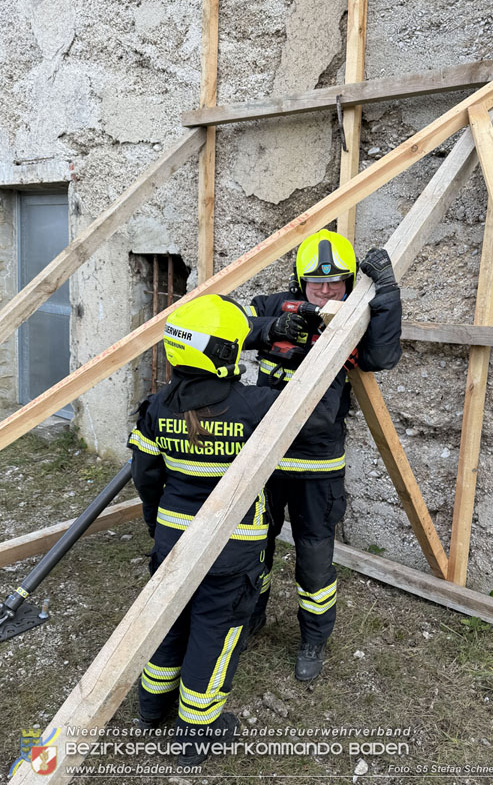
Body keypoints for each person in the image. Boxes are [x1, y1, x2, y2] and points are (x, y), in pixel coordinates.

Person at [127, 293, 345, 766]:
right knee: (215, 631)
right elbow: (319, 416)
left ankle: (151, 705)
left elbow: (145, 476)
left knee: (168, 621)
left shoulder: (156, 406)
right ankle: (198, 732)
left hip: (172, 540)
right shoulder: (255, 405)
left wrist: (155, 522)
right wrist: (322, 352)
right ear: (227, 353)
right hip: (230, 552)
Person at [243, 229, 402, 681]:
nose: (327, 290)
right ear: (299, 281)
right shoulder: (272, 304)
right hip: (264, 457)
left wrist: (387, 294)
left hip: (318, 463)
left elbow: (382, 356)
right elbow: (228, 327)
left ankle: (313, 638)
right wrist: (270, 329)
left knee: (314, 558)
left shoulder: (355, 316)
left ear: (350, 283)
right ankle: (250, 616)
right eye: (316, 282)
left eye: (336, 282)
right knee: (254, 547)